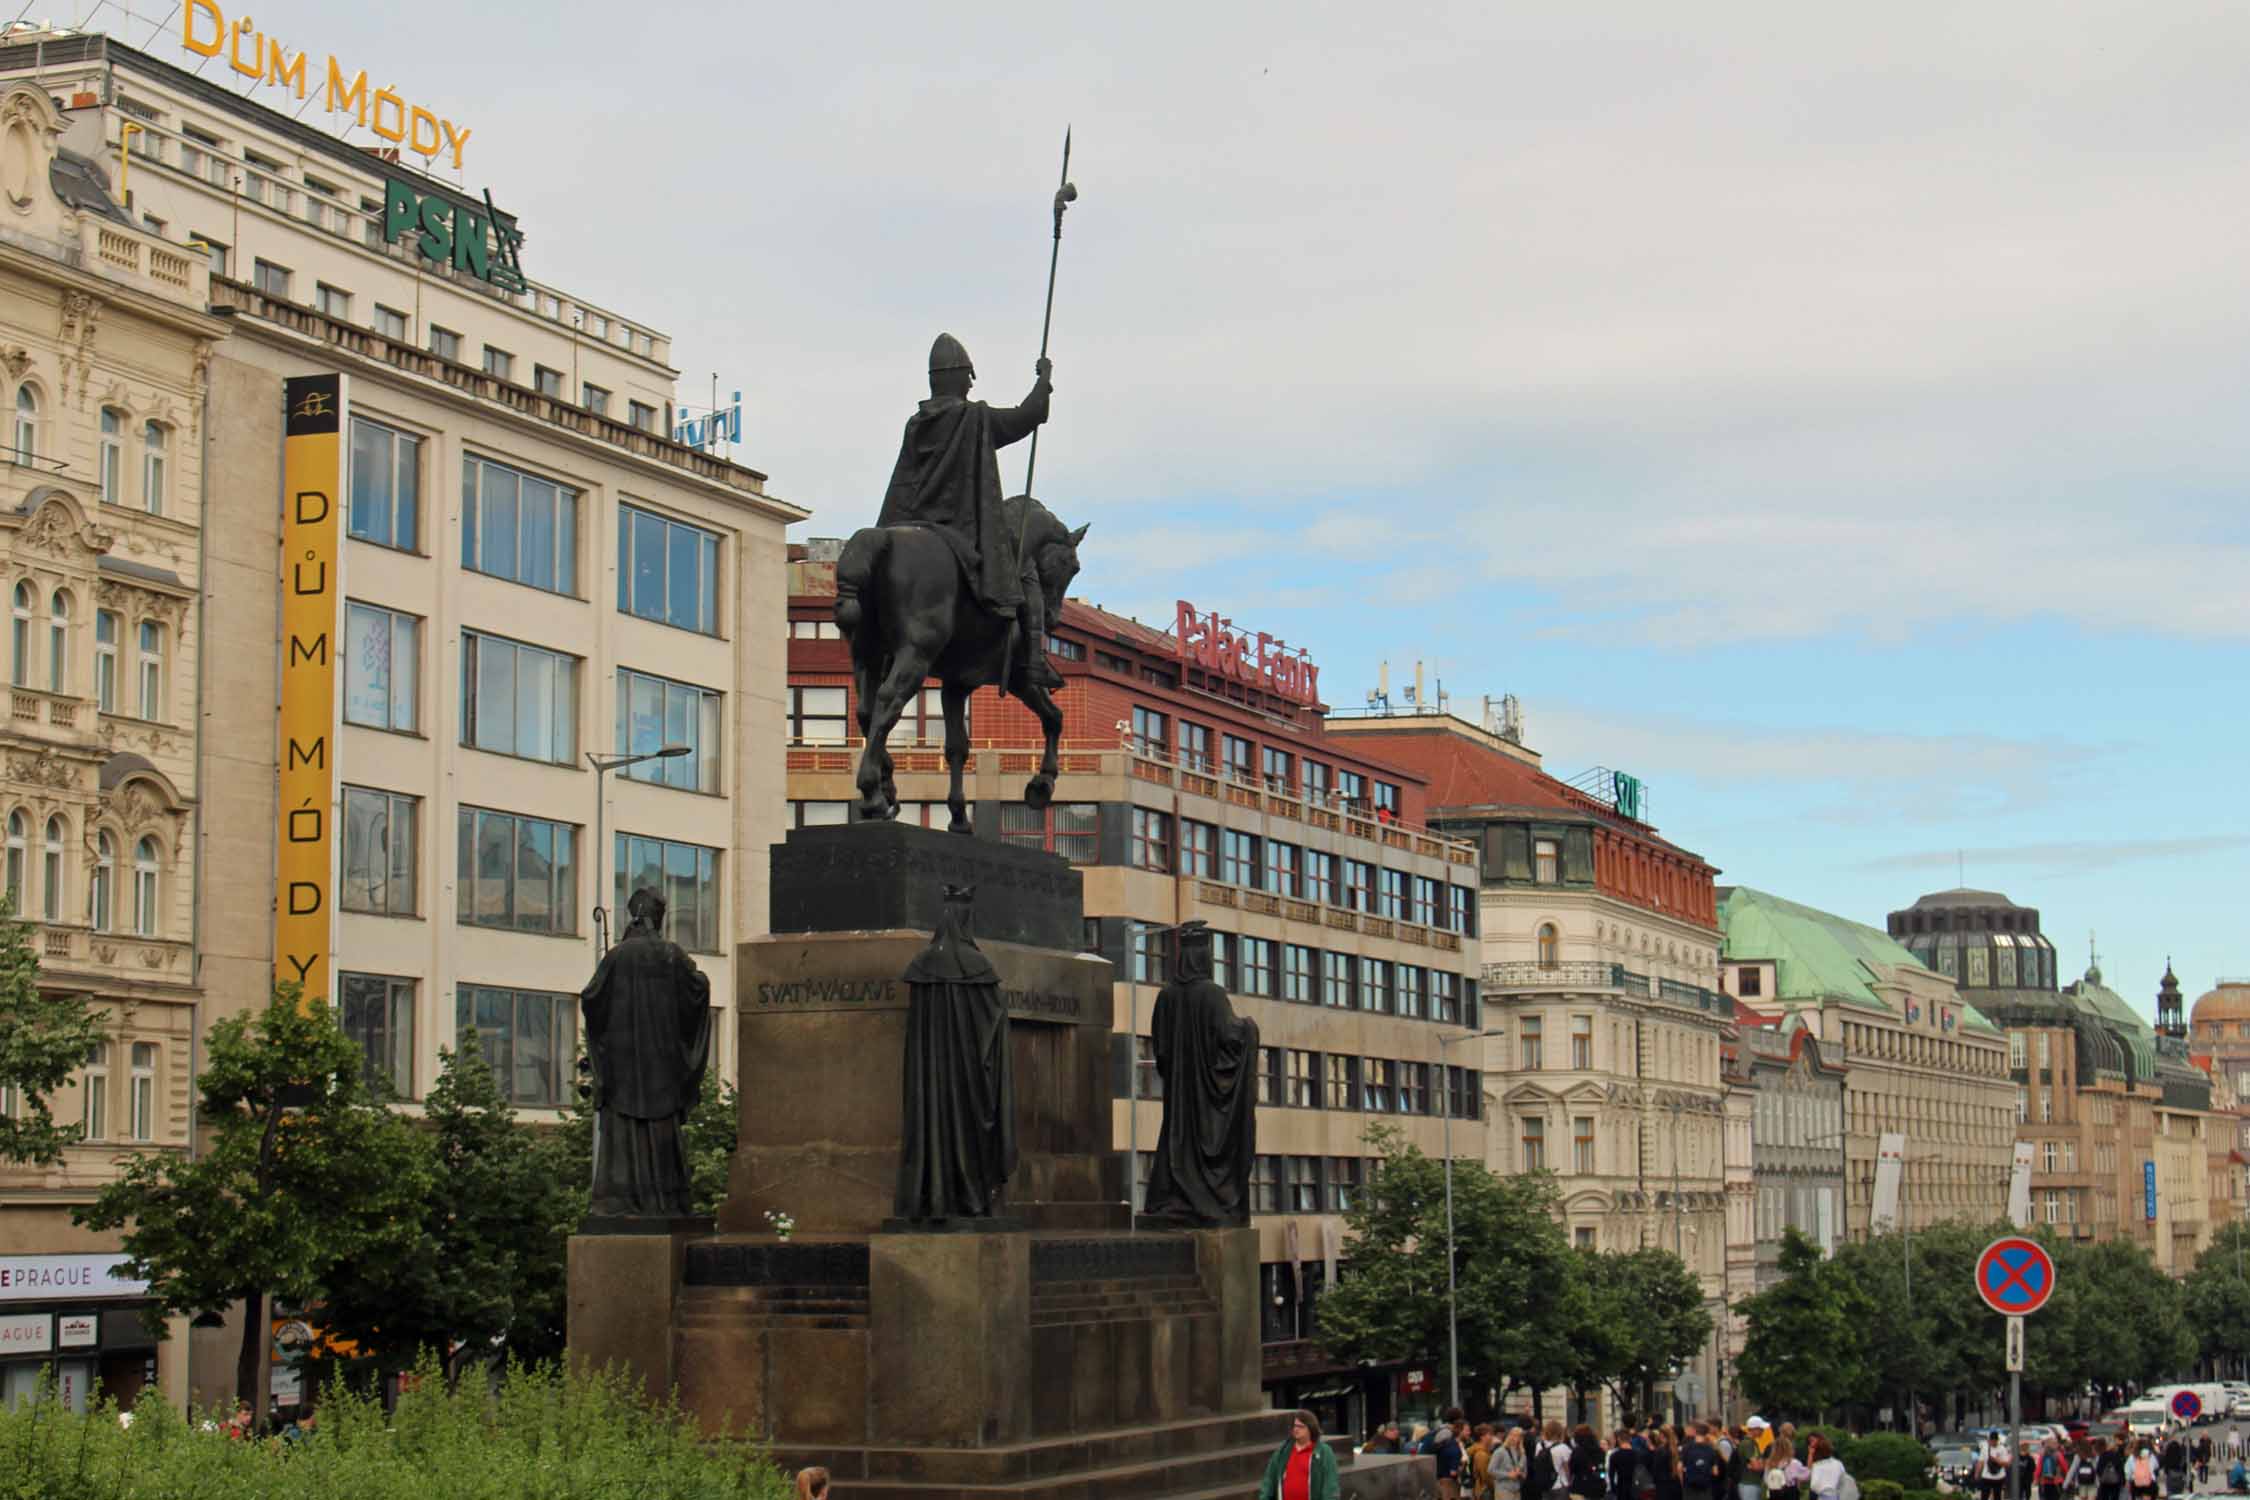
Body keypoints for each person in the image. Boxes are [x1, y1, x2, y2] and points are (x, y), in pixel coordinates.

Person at [870, 334, 1061, 689]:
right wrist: (1044, 380)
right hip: (961, 527)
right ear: (961, 377)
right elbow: (1028, 416)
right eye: (969, 377)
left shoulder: (916, 423)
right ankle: (1033, 661)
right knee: (1025, 576)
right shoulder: (974, 418)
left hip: (911, 521)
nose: (971, 385)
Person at [580, 885, 713, 1217]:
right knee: (661, 1130)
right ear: (657, 918)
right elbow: (698, 988)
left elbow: (591, 999)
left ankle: (620, 1201)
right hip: (663, 1068)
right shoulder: (672, 955)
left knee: (624, 1132)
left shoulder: (616, 956)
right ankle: (665, 1201)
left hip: (623, 1066)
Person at [1260, 1410, 1343, 1500]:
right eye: (1295, 1426)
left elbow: (1331, 1485)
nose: (1296, 1429)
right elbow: (1269, 1481)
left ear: (1310, 1429)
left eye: (1300, 1426)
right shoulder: (1283, 1452)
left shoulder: (1324, 1452)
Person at [1682, 1422, 1724, 1500]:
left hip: (1689, 1488)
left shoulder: (1686, 1448)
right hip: (1706, 1488)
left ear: (1695, 1432)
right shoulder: (1711, 1449)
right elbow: (1715, 1472)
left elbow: (1679, 1467)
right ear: (1707, 1433)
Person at [1434, 1409, 1467, 1500]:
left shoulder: (1443, 1433)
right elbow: (1453, 1472)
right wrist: (1461, 1467)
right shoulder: (1451, 1443)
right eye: (1466, 1430)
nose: (1469, 1433)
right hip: (1448, 1482)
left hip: (1440, 1478)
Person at [1569, 1426, 1605, 1500]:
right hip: (1597, 1487)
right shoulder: (1600, 1451)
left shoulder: (1577, 1451)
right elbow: (1602, 1471)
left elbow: (1572, 1469)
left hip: (1579, 1487)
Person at [1613, 1429, 1649, 1500]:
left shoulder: (1615, 1455)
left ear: (1619, 1439)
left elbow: (1611, 1475)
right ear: (1630, 1439)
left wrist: (1613, 1489)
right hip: (1635, 1485)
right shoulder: (1638, 1454)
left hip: (1621, 1487)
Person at [2161, 1432, 2189, 1498]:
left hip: (2170, 1475)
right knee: (2179, 1494)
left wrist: (2166, 1472)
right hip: (2179, 1476)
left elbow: (2165, 1462)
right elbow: (2184, 1464)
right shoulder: (2180, 1451)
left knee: (2170, 1493)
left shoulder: (2168, 1450)